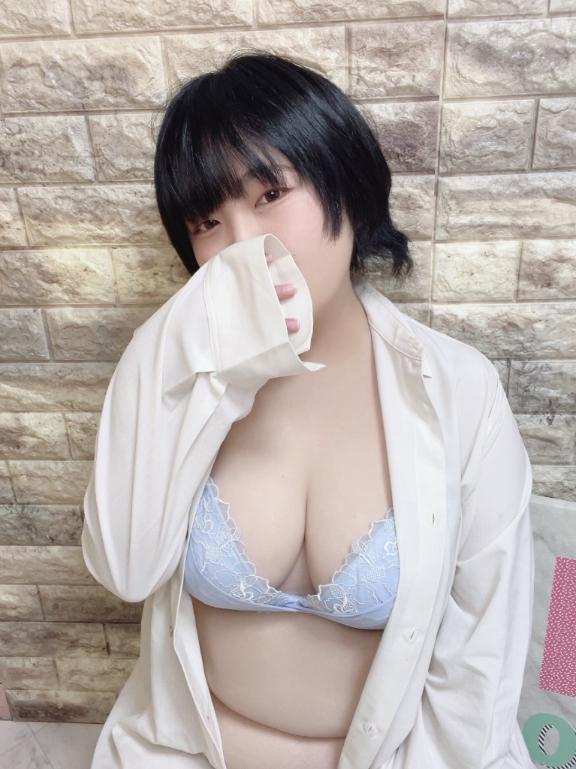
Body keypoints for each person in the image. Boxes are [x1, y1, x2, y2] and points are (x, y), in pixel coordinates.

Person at [82, 51, 536, 769]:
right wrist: (177, 348)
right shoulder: (182, 374)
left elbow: (479, 664)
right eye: (207, 221)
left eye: (270, 194)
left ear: (345, 183)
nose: (244, 246)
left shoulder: (460, 390)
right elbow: (125, 567)